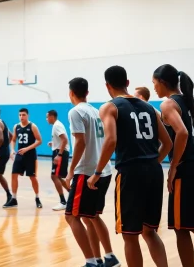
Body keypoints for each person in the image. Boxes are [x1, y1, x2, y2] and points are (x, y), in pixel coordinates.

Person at [87, 66, 172, 267]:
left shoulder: (110, 107)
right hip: (154, 171)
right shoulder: (150, 108)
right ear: (127, 82)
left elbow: (110, 141)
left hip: (130, 174)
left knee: (130, 235)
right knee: (149, 231)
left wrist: (97, 173)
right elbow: (167, 143)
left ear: (107, 86)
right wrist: (151, 164)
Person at [65, 77, 120, 267]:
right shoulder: (96, 111)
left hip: (86, 171)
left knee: (71, 217)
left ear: (71, 93)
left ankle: (90, 262)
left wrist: (71, 171)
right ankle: (107, 257)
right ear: (87, 93)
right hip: (102, 170)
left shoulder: (75, 112)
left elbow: (80, 142)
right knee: (92, 216)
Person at [153, 64, 194, 267]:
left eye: (154, 83)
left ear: (163, 82)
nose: (154, 88)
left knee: (182, 227)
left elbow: (182, 133)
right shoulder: (191, 102)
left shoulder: (168, 105)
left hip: (186, 169)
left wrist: (173, 167)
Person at [3, 108, 43, 209]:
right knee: (14, 175)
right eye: (20, 115)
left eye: (24, 115)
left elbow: (39, 141)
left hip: (30, 156)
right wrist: (12, 149)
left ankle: (37, 198)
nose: (21, 117)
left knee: (32, 177)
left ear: (28, 116)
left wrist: (27, 149)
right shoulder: (16, 126)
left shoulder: (33, 126)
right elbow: (13, 139)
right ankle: (14, 198)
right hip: (20, 155)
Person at [46, 110, 70, 211]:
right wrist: (54, 143)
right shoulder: (56, 125)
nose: (46, 119)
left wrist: (59, 155)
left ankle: (63, 202)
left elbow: (64, 139)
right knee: (58, 177)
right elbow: (62, 140)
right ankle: (72, 195)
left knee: (54, 176)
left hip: (60, 153)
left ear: (52, 116)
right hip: (59, 152)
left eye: (47, 117)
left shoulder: (57, 125)